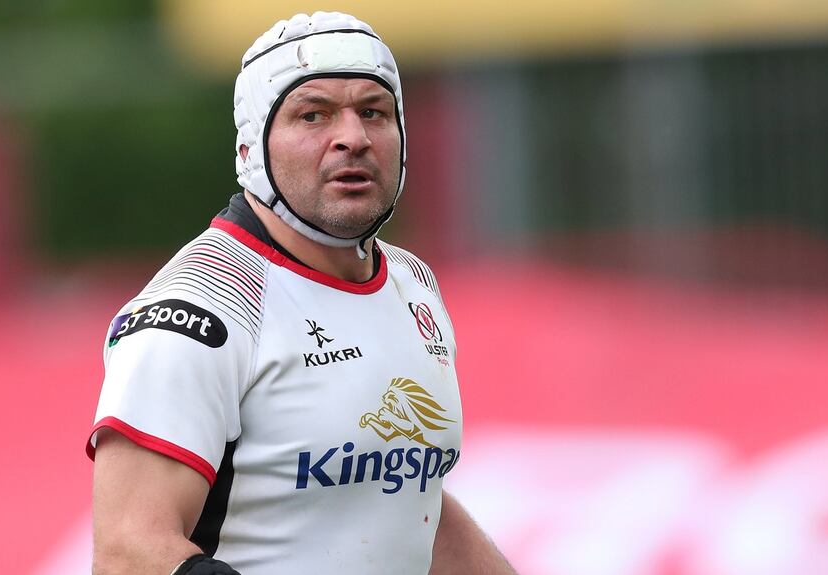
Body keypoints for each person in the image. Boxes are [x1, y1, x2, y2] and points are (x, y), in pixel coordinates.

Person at [87, 11, 517, 575]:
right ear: (250, 148)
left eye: (374, 112)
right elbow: (128, 554)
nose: (353, 138)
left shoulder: (413, 282)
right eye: (313, 114)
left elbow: (412, 506)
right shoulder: (200, 307)